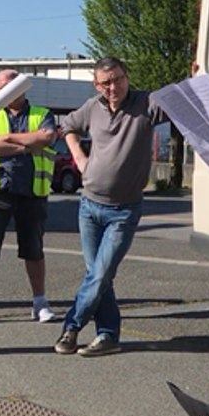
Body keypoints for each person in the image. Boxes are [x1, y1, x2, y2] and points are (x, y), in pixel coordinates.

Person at [55, 57, 163, 357]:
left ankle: (72, 327)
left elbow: (184, 101)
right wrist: (78, 156)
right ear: (96, 84)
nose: (113, 87)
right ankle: (108, 335)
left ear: (127, 77)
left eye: (117, 79)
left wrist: (196, 79)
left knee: (100, 274)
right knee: (97, 274)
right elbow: (67, 126)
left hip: (123, 210)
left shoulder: (147, 104)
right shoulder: (93, 107)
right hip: (89, 206)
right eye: (106, 83)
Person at [0, 68, 59, 323]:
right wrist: (27, 145)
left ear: (22, 88)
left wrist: (7, 139)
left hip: (31, 192)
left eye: (10, 87)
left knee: (34, 250)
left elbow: (47, 137)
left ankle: (39, 302)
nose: (4, 93)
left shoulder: (42, 114)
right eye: (1, 88)